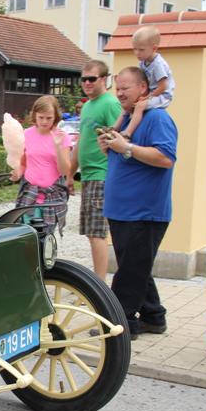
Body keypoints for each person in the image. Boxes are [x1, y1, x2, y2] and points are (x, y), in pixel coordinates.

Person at [98, 67, 177, 337]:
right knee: (136, 266)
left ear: (143, 88)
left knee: (130, 272)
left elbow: (166, 158)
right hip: (121, 209)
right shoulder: (127, 120)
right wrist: (110, 146)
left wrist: (127, 148)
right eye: (117, 88)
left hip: (145, 211)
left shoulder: (157, 119)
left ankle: (120, 324)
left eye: (126, 87)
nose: (119, 92)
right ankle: (154, 316)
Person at [73, 60, 122, 280]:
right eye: (83, 79)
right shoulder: (87, 106)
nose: (87, 83)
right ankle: (99, 285)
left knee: (97, 233)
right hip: (88, 175)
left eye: (91, 79)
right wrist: (68, 174)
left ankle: (99, 287)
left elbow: (119, 136)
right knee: (92, 233)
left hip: (102, 175)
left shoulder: (110, 104)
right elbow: (81, 141)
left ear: (104, 79)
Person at [9, 95, 73, 235]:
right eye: (41, 117)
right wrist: (17, 174)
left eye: (49, 118)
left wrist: (57, 147)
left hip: (52, 196)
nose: (44, 121)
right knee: (26, 236)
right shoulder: (26, 134)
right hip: (29, 195)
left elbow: (65, 170)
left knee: (46, 239)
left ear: (55, 116)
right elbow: (23, 164)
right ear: (35, 115)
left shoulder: (62, 136)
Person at [116, 26, 175, 140]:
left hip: (162, 95)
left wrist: (147, 97)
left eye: (141, 50)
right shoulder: (143, 62)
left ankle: (128, 132)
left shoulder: (158, 64)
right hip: (152, 92)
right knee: (129, 105)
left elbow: (163, 86)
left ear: (154, 48)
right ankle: (115, 127)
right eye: (135, 49)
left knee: (139, 106)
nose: (137, 53)